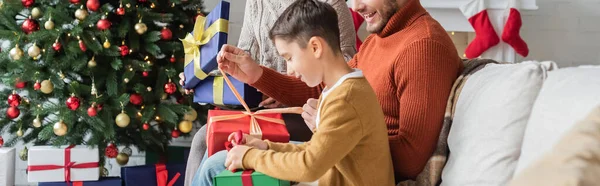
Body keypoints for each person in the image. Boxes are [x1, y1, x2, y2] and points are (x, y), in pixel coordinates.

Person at [192, 0, 464, 183]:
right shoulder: (377, 40)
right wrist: (256, 75)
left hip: (343, 157)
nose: (356, 7)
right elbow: (325, 84)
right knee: (217, 144)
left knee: (217, 164)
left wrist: (334, 131)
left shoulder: (424, 46)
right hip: (335, 148)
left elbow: (411, 158)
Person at [181, 0, 356, 185]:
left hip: (303, 113)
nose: (289, 68)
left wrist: (279, 85)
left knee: (214, 143)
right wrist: (202, 77)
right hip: (263, 110)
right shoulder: (256, 2)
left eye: (289, 59)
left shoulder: (331, 3)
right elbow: (244, 59)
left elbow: (342, 67)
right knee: (203, 138)